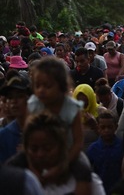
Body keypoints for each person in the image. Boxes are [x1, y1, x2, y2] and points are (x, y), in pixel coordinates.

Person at [27, 57, 92, 195]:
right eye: (37, 86)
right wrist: (34, 169)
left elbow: (78, 141)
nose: (41, 91)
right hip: (38, 152)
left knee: (84, 170)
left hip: (68, 153)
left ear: (61, 86)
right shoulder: (33, 105)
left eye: (47, 86)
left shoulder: (71, 108)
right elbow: (26, 139)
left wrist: (62, 166)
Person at [7, 112, 105, 195]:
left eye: (47, 148)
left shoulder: (87, 182)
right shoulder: (17, 182)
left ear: (62, 147)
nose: (40, 154)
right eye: (34, 149)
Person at [86, 111, 123, 195]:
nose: (106, 130)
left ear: (116, 127)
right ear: (98, 128)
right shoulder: (93, 148)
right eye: (103, 127)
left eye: (110, 127)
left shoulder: (122, 147)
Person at [0, 73, 31, 163]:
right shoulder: (3, 136)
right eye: (10, 97)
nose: (14, 101)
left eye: (20, 96)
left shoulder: (43, 130)